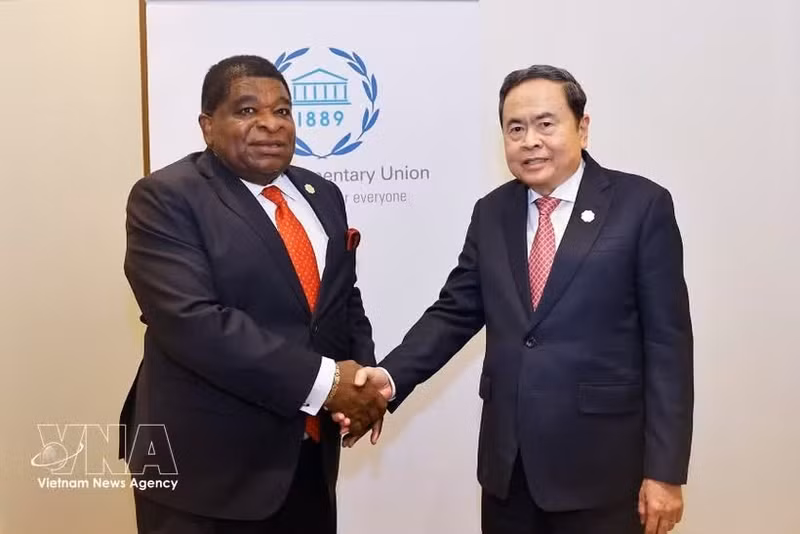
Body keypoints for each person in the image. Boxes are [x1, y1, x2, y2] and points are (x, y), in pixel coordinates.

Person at [346, 65, 693, 534]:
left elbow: (668, 347)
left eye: (546, 124)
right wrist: (387, 380)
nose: (530, 140)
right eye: (516, 128)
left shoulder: (641, 205)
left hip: (604, 471)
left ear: (582, 127)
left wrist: (665, 472)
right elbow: (454, 313)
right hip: (509, 471)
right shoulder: (492, 213)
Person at [120, 54, 386, 534]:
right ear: (208, 125)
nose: (269, 124)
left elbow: (341, 301)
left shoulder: (321, 193)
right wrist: (330, 384)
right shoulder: (166, 197)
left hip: (306, 461)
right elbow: (194, 324)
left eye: (282, 111)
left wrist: (361, 385)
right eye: (246, 111)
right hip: (206, 472)